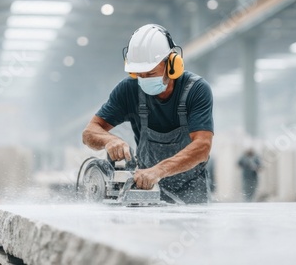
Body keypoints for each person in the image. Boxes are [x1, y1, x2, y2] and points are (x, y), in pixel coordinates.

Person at [82, 24, 214, 204]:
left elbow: (202, 147)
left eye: (151, 73)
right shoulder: (128, 90)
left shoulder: (196, 90)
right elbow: (89, 133)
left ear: (172, 64)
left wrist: (158, 171)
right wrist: (109, 140)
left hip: (191, 191)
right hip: (146, 190)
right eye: (139, 74)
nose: (144, 80)